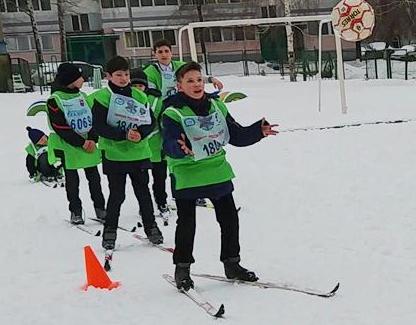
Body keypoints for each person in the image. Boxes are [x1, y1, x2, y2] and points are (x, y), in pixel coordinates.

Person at [161, 61, 279, 291]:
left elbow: (236, 135)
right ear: (179, 86)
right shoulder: (173, 112)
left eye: (199, 80)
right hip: (187, 173)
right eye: (190, 81)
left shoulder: (217, 106)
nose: (196, 84)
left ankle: (232, 264)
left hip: (217, 170)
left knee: (229, 219)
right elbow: (169, 143)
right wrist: (179, 147)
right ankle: (182, 269)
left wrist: (258, 131)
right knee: (187, 224)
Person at [89, 56, 165, 249]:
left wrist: (141, 133)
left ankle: (151, 227)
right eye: (118, 75)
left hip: (139, 153)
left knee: (143, 193)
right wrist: (123, 134)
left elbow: (150, 121)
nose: (124, 79)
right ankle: (110, 230)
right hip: (114, 154)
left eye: (126, 74)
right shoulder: (102, 97)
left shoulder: (139, 96)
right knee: (117, 195)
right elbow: (98, 126)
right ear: (108, 76)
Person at [46, 62, 105, 225]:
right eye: (80, 77)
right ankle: (75, 211)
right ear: (71, 80)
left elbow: (93, 118)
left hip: (88, 143)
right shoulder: (55, 99)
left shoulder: (82, 96)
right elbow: (59, 126)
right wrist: (81, 142)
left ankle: (100, 208)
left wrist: (92, 138)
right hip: (69, 145)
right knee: (72, 182)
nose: (83, 80)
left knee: (94, 179)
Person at [130, 67, 169, 214]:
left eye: (140, 85)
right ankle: (144, 206)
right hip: (138, 149)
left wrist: (166, 143)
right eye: (134, 85)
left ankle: (161, 201)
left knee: (160, 178)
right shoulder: (125, 101)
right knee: (142, 181)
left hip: (157, 146)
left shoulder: (157, 101)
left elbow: (164, 123)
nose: (137, 89)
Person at [142, 38, 224, 100]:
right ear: (155, 54)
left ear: (171, 52)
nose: (164, 55)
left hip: (184, 102)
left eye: (166, 51)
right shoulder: (149, 72)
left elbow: (195, 77)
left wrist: (211, 79)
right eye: (160, 52)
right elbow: (152, 94)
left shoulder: (181, 66)